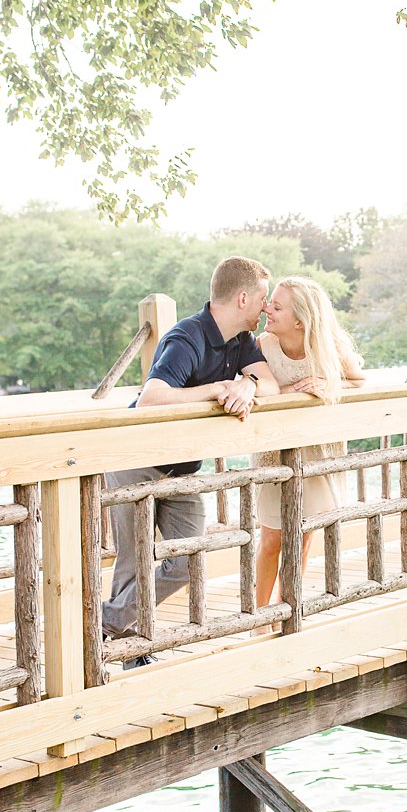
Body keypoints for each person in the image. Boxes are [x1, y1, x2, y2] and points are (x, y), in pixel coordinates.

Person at [103, 256, 279, 667]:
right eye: (262, 300)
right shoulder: (187, 336)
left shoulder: (242, 341)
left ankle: (103, 624)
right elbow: (151, 399)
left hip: (182, 470)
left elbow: (269, 381)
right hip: (136, 460)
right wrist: (219, 387)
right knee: (134, 560)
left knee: (186, 562)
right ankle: (131, 650)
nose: (265, 309)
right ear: (241, 298)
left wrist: (248, 386)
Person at [253, 276, 366, 612]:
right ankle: (260, 616)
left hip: (316, 453)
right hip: (275, 452)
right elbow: (260, 391)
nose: (266, 309)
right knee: (272, 536)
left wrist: (329, 383)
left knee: (302, 535)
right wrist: (295, 395)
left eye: (276, 305)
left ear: (300, 320)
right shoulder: (262, 346)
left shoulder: (331, 347)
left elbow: (360, 383)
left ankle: (289, 608)